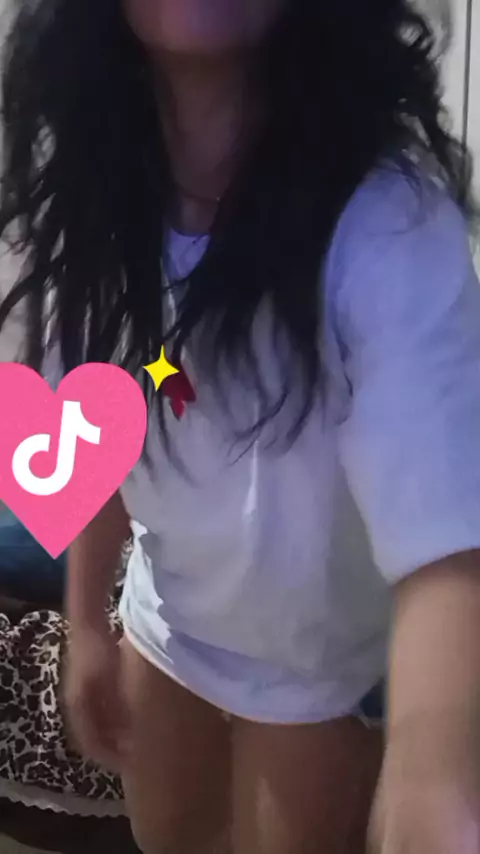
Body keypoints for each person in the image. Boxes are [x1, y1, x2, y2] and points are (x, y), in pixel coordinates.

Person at [0, 1, 480, 852]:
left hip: (314, 672)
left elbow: (447, 537)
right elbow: (91, 417)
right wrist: (86, 623)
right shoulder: (91, 197)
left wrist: (432, 773)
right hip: (163, 622)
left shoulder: (388, 224)